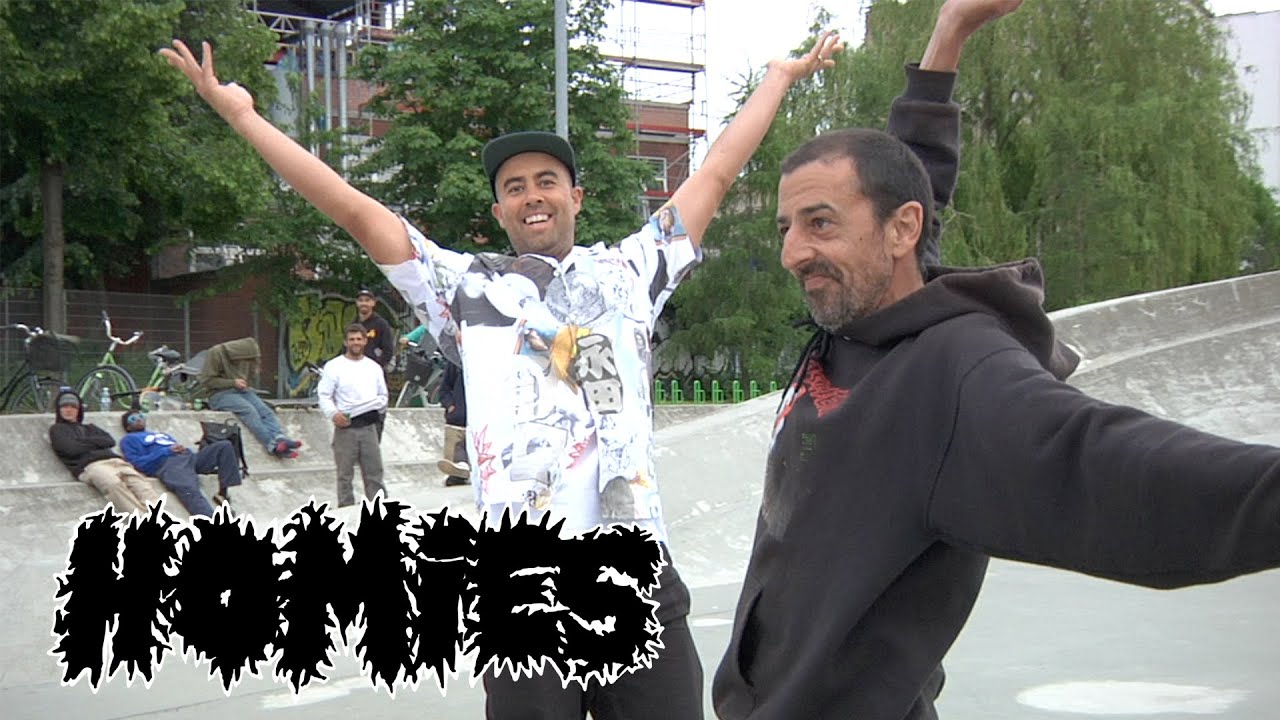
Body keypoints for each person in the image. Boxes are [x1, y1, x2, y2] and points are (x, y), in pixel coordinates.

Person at [162, 28, 844, 718]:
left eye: (547, 181)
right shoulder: (465, 287)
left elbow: (716, 174)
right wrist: (243, 115)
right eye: (514, 188)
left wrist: (777, 79)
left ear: (576, 196)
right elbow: (352, 209)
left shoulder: (631, 271)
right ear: (498, 212)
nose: (532, 196)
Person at [709, 1, 1280, 718]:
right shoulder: (861, 312)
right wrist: (949, 33)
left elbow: (1103, 463)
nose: (794, 252)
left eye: (819, 223)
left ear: (899, 233)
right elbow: (913, 178)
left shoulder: (956, 373)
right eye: (787, 227)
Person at [48, 389, 164, 515]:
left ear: (79, 410)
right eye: (64, 406)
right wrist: (96, 442)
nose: (68, 410)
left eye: (73, 407)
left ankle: (158, 518)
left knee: (142, 485)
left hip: (115, 461)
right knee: (113, 484)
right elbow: (71, 449)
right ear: (59, 409)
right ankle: (142, 519)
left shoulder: (90, 427)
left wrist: (83, 442)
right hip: (90, 466)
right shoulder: (57, 430)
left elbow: (109, 441)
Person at [316, 323, 388, 507]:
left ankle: (380, 509)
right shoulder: (334, 366)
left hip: (369, 427)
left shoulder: (374, 367)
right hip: (345, 427)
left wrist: (375, 411)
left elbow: (383, 396)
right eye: (351, 339)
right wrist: (333, 414)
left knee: (374, 472)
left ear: (365, 341)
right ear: (345, 342)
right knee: (344, 474)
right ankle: (345, 509)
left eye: (359, 339)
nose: (355, 342)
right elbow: (324, 395)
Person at [194, 337, 301, 458]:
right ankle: (272, 445)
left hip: (241, 391)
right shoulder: (216, 353)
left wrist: (250, 377)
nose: (245, 362)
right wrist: (232, 382)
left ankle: (280, 438)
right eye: (246, 360)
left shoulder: (244, 359)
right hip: (219, 395)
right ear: (239, 354)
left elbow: (247, 377)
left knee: (265, 410)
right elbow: (206, 380)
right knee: (249, 411)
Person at [118, 411, 242, 516]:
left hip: (188, 457)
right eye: (133, 419)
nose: (139, 420)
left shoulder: (160, 434)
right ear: (128, 427)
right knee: (189, 489)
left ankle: (223, 493)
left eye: (141, 416)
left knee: (224, 446)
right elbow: (136, 462)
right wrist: (166, 451)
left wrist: (182, 449)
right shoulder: (129, 440)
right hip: (168, 464)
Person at [435, 359, 469, 487]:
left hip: (480, 417)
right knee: (456, 444)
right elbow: (444, 389)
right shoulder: (455, 362)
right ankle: (457, 472)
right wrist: (450, 405)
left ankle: (464, 467)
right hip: (458, 417)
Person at [354, 288, 396, 371]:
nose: (364, 303)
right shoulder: (353, 325)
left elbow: (388, 351)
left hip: (374, 371)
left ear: (373, 303)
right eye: (361, 300)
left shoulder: (381, 324)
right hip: (355, 370)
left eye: (367, 300)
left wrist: (376, 367)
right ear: (357, 303)